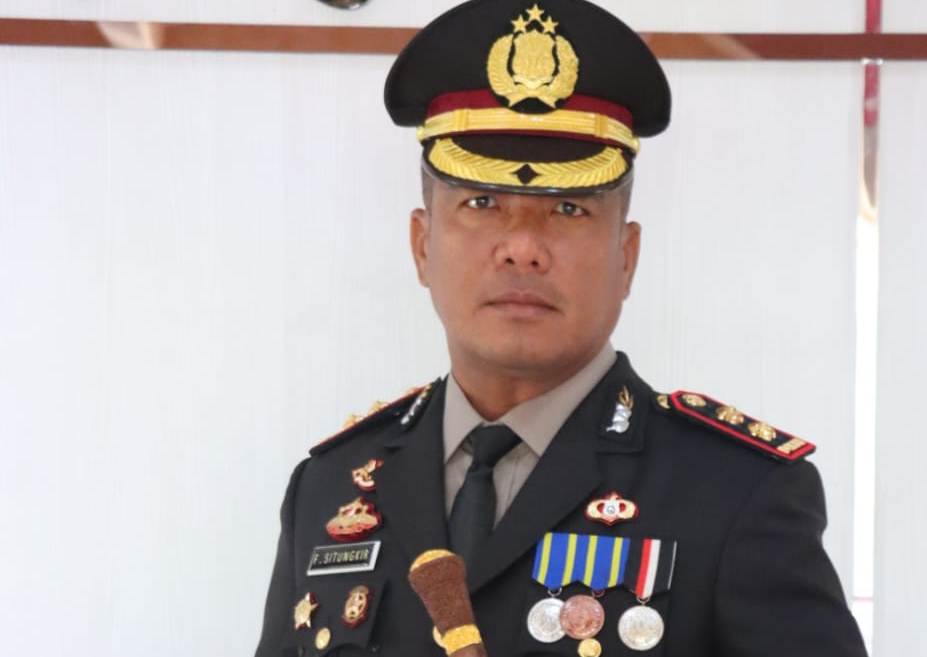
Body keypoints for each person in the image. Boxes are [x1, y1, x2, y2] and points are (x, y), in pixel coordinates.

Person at [255, 0, 869, 655]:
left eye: (569, 208)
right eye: (482, 203)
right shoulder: (331, 487)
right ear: (421, 245)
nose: (522, 247)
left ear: (626, 257)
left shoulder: (735, 492)